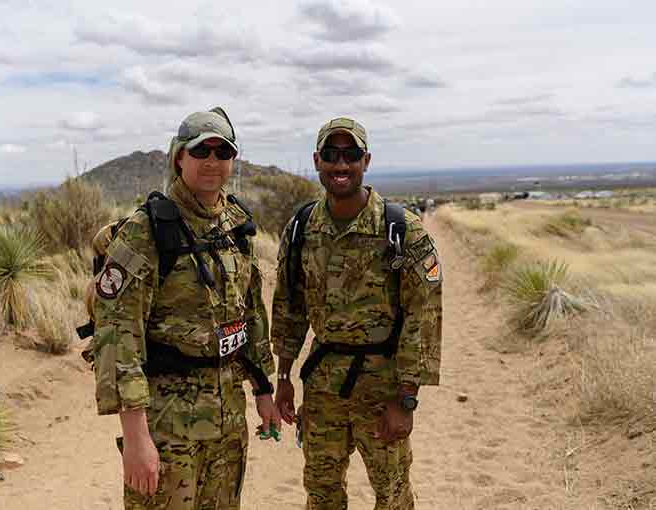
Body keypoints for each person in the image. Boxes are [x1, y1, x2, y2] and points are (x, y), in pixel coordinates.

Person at [89, 106, 281, 510]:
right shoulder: (147, 231)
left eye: (223, 152)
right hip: (167, 426)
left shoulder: (236, 224)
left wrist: (263, 387)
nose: (212, 161)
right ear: (180, 157)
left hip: (228, 421)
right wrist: (136, 437)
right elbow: (117, 334)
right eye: (201, 151)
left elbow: (251, 313)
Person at [272, 117, 443, 510]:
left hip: (382, 387)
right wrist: (283, 377)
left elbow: (425, 315)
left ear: (366, 160)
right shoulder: (301, 228)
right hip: (322, 387)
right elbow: (289, 309)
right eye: (331, 155)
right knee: (321, 491)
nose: (341, 164)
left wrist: (407, 399)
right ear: (317, 161)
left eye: (350, 155)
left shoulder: (401, 229)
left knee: (393, 492)